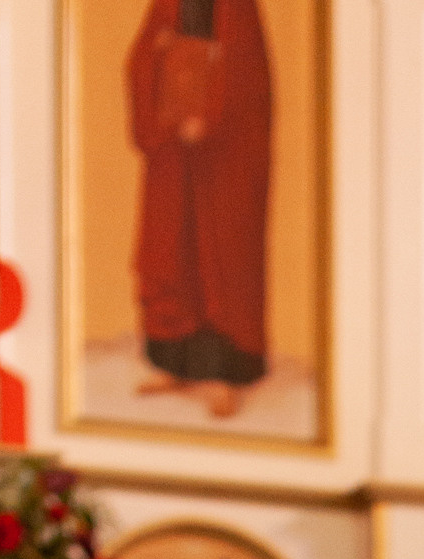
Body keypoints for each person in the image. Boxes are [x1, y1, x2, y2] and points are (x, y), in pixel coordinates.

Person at [126, 0, 273, 423]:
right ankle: (174, 364)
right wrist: (159, 55)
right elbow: (140, 55)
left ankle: (226, 377)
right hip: (173, 146)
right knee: (171, 247)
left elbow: (246, 73)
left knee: (221, 256)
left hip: (224, 154)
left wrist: (208, 115)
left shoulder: (238, 9)